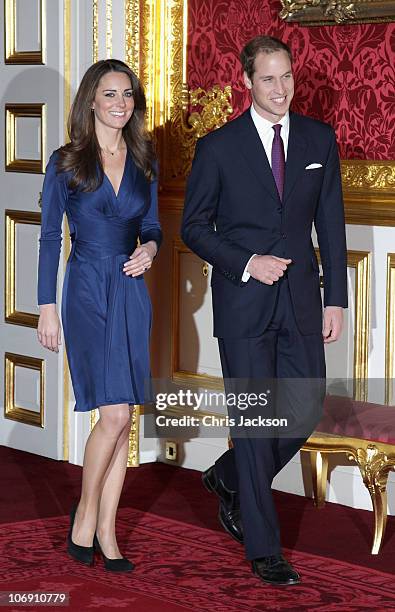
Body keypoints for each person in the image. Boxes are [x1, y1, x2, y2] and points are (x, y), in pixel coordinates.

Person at [181, 36, 347, 586]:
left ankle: (227, 477)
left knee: (303, 409)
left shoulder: (319, 140)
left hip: (301, 300)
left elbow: (331, 228)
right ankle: (263, 548)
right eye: (269, 79)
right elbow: (194, 229)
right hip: (244, 302)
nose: (281, 89)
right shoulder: (218, 148)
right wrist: (248, 261)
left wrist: (336, 299)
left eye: (287, 77)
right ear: (247, 82)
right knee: (253, 423)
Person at [37, 59, 162, 572]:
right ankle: (85, 514)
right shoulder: (66, 162)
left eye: (128, 94)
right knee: (111, 414)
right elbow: (47, 238)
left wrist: (151, 251)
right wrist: (46, 306)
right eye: (110, 94)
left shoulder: (143, 157)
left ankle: (106, 531)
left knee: (125, 415)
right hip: (86, 286)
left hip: (132, 291)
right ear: (91, 99)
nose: (120, 103)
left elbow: (152, 224)